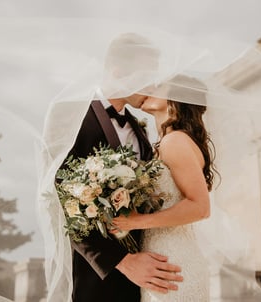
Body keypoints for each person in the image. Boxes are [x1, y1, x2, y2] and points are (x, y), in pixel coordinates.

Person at [59, 33, 183, 302]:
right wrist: (123, 262)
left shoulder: (140, 130)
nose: (152, 86)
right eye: (146, 76)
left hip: (147, 276)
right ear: (119, 72)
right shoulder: (70, 115)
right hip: (97, 277)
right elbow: (62, 201)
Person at [112, 76, 216, 301]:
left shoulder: (176, 141)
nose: (148, 87)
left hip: (175, 263)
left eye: (158, 85)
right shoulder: (166, 141)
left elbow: (200, 207)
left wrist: (135, 221)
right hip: (160, 260)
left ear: (177, 97)